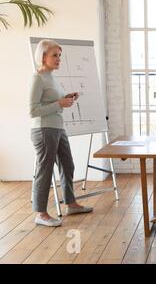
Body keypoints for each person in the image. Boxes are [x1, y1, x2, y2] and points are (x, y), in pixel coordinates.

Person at [30, 39, 93, 227]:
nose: (58, 59)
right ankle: (40, 213)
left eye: (59, 55)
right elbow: (33, 111)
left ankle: (71, 204)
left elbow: (51, 102)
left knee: (68, 164)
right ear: (43, 56)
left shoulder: (52, 77)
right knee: (45, 169)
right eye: (54, 55)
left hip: (58, 127)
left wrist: (65, 99)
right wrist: (59, 104)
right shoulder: (37, 78)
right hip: (44, 129)